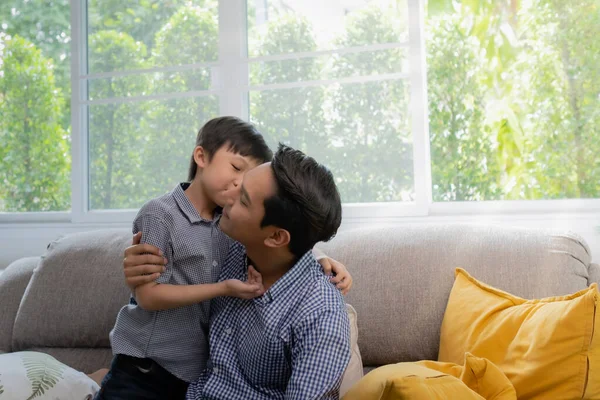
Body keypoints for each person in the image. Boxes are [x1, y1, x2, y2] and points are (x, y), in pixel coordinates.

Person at [96, 118, 352, 400]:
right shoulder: (232, 244)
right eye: (238, 180)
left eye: (242, 199)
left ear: (276, 238)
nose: (229, 196)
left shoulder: (319, 313)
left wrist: (319, 256)